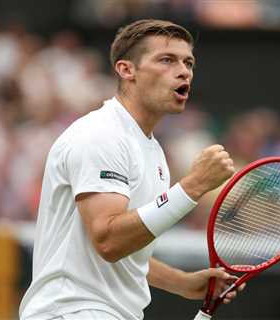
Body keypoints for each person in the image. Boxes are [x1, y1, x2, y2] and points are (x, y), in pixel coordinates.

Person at [19, 19, 244, 320]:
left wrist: (183, 283)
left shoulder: (151, 150)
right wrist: (193, 186)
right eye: (167, 60)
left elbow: (126, 250)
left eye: (188, 62)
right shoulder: (102, 134)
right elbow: (109, 240)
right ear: (127, 70)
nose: (184, 71)